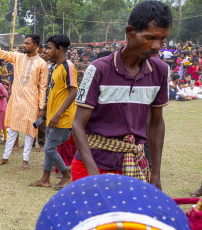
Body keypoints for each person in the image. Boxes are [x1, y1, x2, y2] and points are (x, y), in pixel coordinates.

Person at [71, 0, 171, 193]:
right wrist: (93, 174)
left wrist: (155, 173)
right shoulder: (98, 69)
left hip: (133, 165)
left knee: (130, 223)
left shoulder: (160, 71)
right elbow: (77, 124)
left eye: (162, 40)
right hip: (93, 164)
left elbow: (156, 123)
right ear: (130, 32)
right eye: (150, 38)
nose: (157, 46)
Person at [0, 24, 49, 170]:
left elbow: (43, 88)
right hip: (16, 100)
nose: (24, 45)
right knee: (12, 130)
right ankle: (5, 157)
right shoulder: (17, 57)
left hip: (31, 102)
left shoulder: (42, 64)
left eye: (27, 43)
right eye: (24, 43)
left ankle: (25, 160)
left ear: (35, 45)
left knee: (30, 132)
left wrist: (41, 107)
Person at [29, 34, 78, 190]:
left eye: (49, 48)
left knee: (49, 148)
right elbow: (54, 92)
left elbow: (73, 92)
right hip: (51, 117)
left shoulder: (68, 66)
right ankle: (45, 178)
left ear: (59, 49)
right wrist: (44, 110)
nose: (46, 51)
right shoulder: (55, 67)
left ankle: (66, 175)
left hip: (62, 119)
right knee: (50, 149)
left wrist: (57, 115)